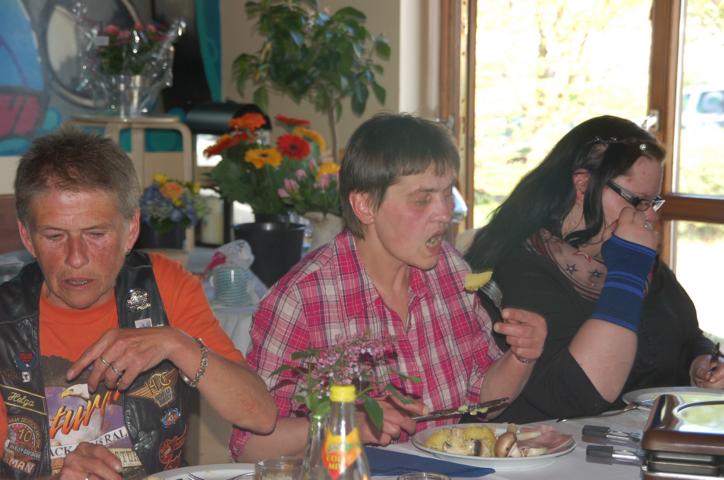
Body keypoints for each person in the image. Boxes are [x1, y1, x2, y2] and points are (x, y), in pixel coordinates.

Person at [229, 113, 547, 462]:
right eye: (422, 199)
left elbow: (483, 401)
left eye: (447, 194)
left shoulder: (450, 271)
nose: (444, 213)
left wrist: (521, 356)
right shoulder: (302, 299)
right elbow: (249, 447)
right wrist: (345, 423)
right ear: (365, 205)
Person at [0, 128, 277, 480]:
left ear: (131, 230)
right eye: (55, 236)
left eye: (95, 234)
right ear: (28, 237)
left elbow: (260, 416)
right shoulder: (5, 322)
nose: (76, 258)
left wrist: (177, 343)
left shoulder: (164, 285)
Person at [463, 115, 722, 423]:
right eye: (637, 201)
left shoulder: (628, 255)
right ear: (583, 184)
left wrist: (700, 364)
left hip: (644, 438)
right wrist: (629, 270)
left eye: (653, 202)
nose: (649, 217)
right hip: (544, 447)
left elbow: (686, 335)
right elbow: (579, 394)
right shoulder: (517, 268)